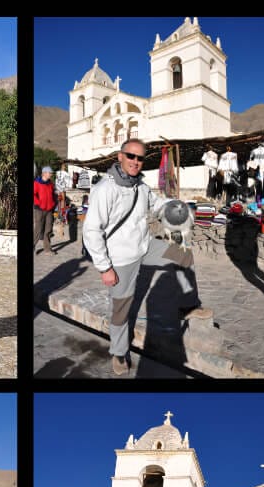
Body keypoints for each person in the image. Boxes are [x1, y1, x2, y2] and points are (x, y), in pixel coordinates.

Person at [81, 138, 172, 376]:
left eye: (140, 158)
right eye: (130, 156)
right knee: (121, 309)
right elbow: (91, 231)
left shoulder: (141, 186)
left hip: (143, 246)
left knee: (181, 256)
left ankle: (189, 304)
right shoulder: (105, 189)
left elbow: (156, 204)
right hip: (120, 259)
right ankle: (119, 353)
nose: (135, 162)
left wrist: (174, 208)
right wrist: (104, 268)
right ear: (119, 157)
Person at [33, 166, 57, 256]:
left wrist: (53, 203)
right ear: (44, 173)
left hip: (49, 210)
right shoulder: (36, 183)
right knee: (38, 229)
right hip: (39, 210)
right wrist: (39, 203)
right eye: (50, 173)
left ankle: (47, 249)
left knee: (48, 229)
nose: (51, 174)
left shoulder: (50, 184)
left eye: (51, 173)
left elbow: (53, 194)